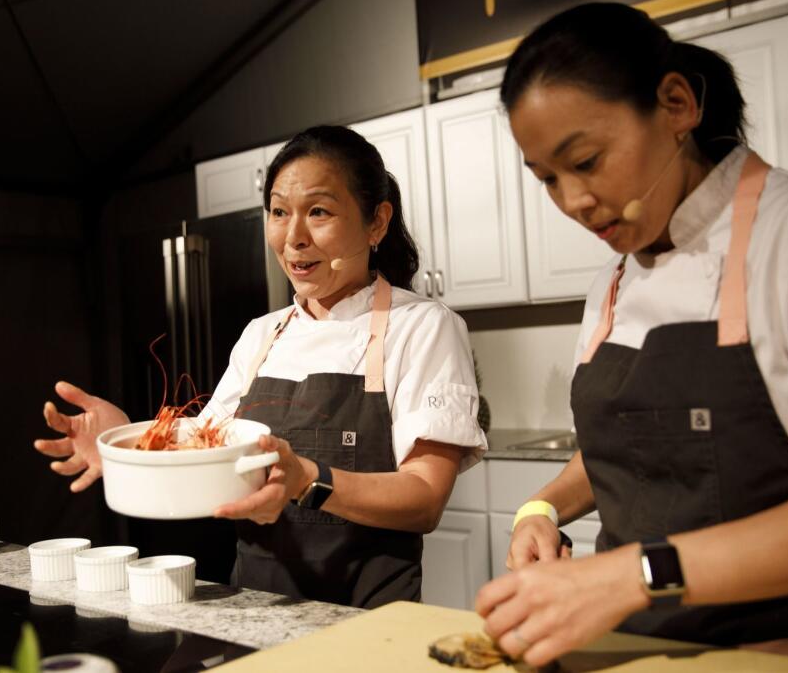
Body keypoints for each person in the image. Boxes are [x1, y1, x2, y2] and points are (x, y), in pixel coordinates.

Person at [474, 2, 788, 668]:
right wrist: (539, 507)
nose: (573, 202)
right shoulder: (613, 282)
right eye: (547, 180)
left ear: (676, 104)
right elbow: (632, 445)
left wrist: (629, 576)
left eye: (587, 161)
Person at [35, 125, 486, 608]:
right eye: (278, 212)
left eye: (319, 212)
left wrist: (308, 479)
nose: (293, 238)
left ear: (376, 223)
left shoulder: (422, 327)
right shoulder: (262, 334)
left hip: (366, 618)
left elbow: (423, 499)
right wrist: (129, 447)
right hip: (254, 611)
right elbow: (205, 458)